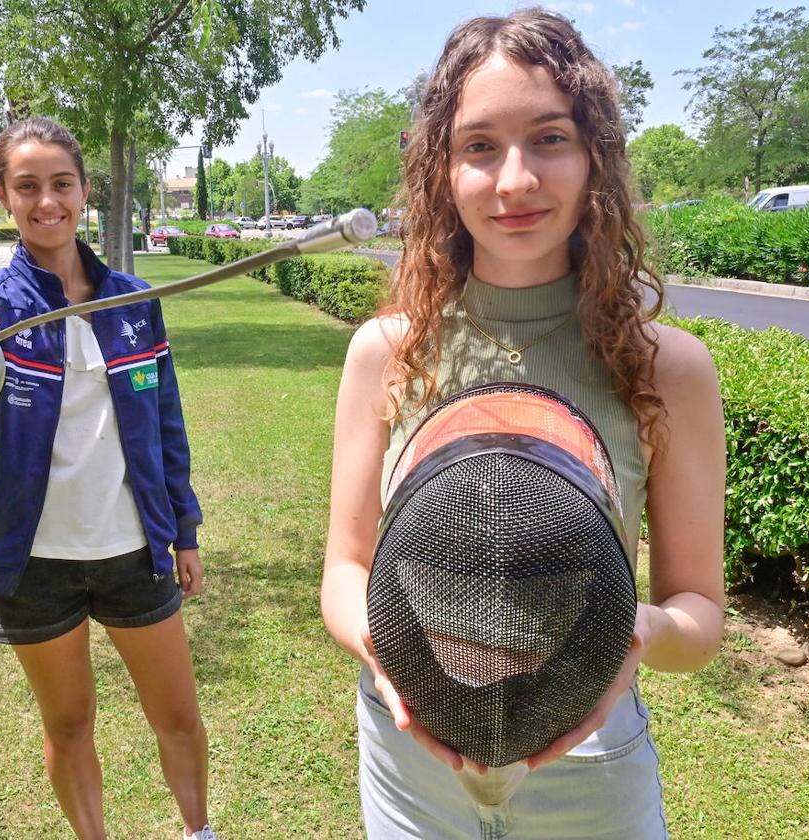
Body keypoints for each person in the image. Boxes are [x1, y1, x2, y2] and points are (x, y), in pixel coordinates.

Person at [321, 10, 726, 839]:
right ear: (441, 169)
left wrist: (635, 632)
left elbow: (700, 614)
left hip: (589, 762)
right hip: (409, 756)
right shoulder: (387, 351)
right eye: (479, 147)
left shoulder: (665, 368)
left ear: (594, 160)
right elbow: (345, 568)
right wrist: (387, 659)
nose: (514, 181)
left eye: (548, 138)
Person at [0, 116, 217, 840]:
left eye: (61, 184)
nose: (47, 202)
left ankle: (199, 832)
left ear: (84, 191)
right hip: (32, 562)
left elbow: (166, 424)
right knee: (68, 725)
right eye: (28, 186)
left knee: (179, 716)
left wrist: (184, 532)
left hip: (134, 550)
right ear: (1, 195)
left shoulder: (131, 300)